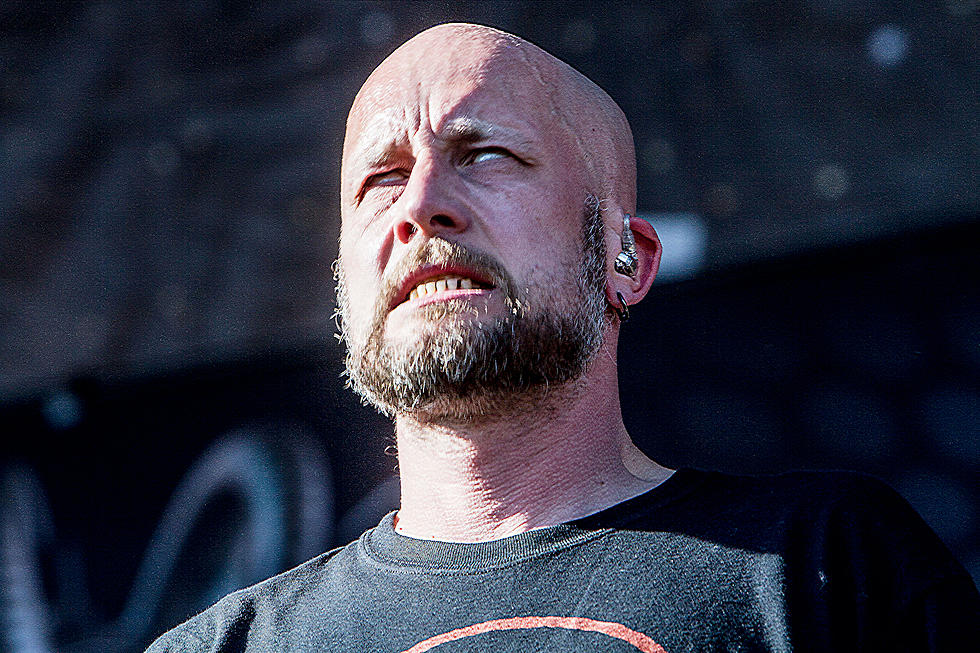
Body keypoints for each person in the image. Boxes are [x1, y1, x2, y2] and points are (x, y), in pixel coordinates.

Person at [148, 23, 978, 652]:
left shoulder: (831, 565)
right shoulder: (223, 646)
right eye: (382, 179)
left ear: (625, 257)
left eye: (485, 154)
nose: (420, 207)